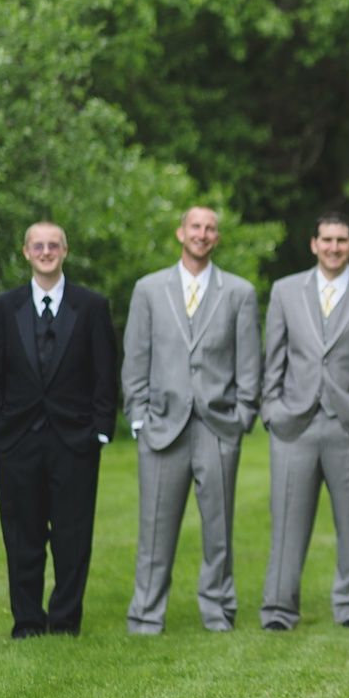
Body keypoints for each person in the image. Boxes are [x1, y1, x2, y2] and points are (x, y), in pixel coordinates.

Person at [121, 206, 261, 634]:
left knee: (218, 532)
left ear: (216, 238)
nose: (202, 234)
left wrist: (242, 418)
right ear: (181, 232)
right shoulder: (149, 289)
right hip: (162, 427)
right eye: (195, 226)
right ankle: (146, 614)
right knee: (154, 532)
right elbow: (136, 358)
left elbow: (249, 363)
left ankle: (217, 612)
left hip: (218, 428)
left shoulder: (238, 292)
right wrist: (139, 418)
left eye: (210, 228)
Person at [0, 222, 118, 638]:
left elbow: (105, 372)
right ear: (25, 252)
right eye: (38, 246)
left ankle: (64, 619)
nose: (46, 251)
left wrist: (100, 430)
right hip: (17, 440)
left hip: (75, 440)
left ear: (65, 250)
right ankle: (26, 620)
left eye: (53, 245)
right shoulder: (6, 307)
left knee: (73, 535)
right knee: (22, 534)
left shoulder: (90, 305)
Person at [259, 212, 349, 630]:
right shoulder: (285, 291)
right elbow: (274, 358)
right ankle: (279, 609)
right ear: (314, 244)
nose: (333, 247)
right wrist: (272, 410)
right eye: (326, 240)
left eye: (341, 240)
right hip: (294, 424)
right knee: (287, 522)